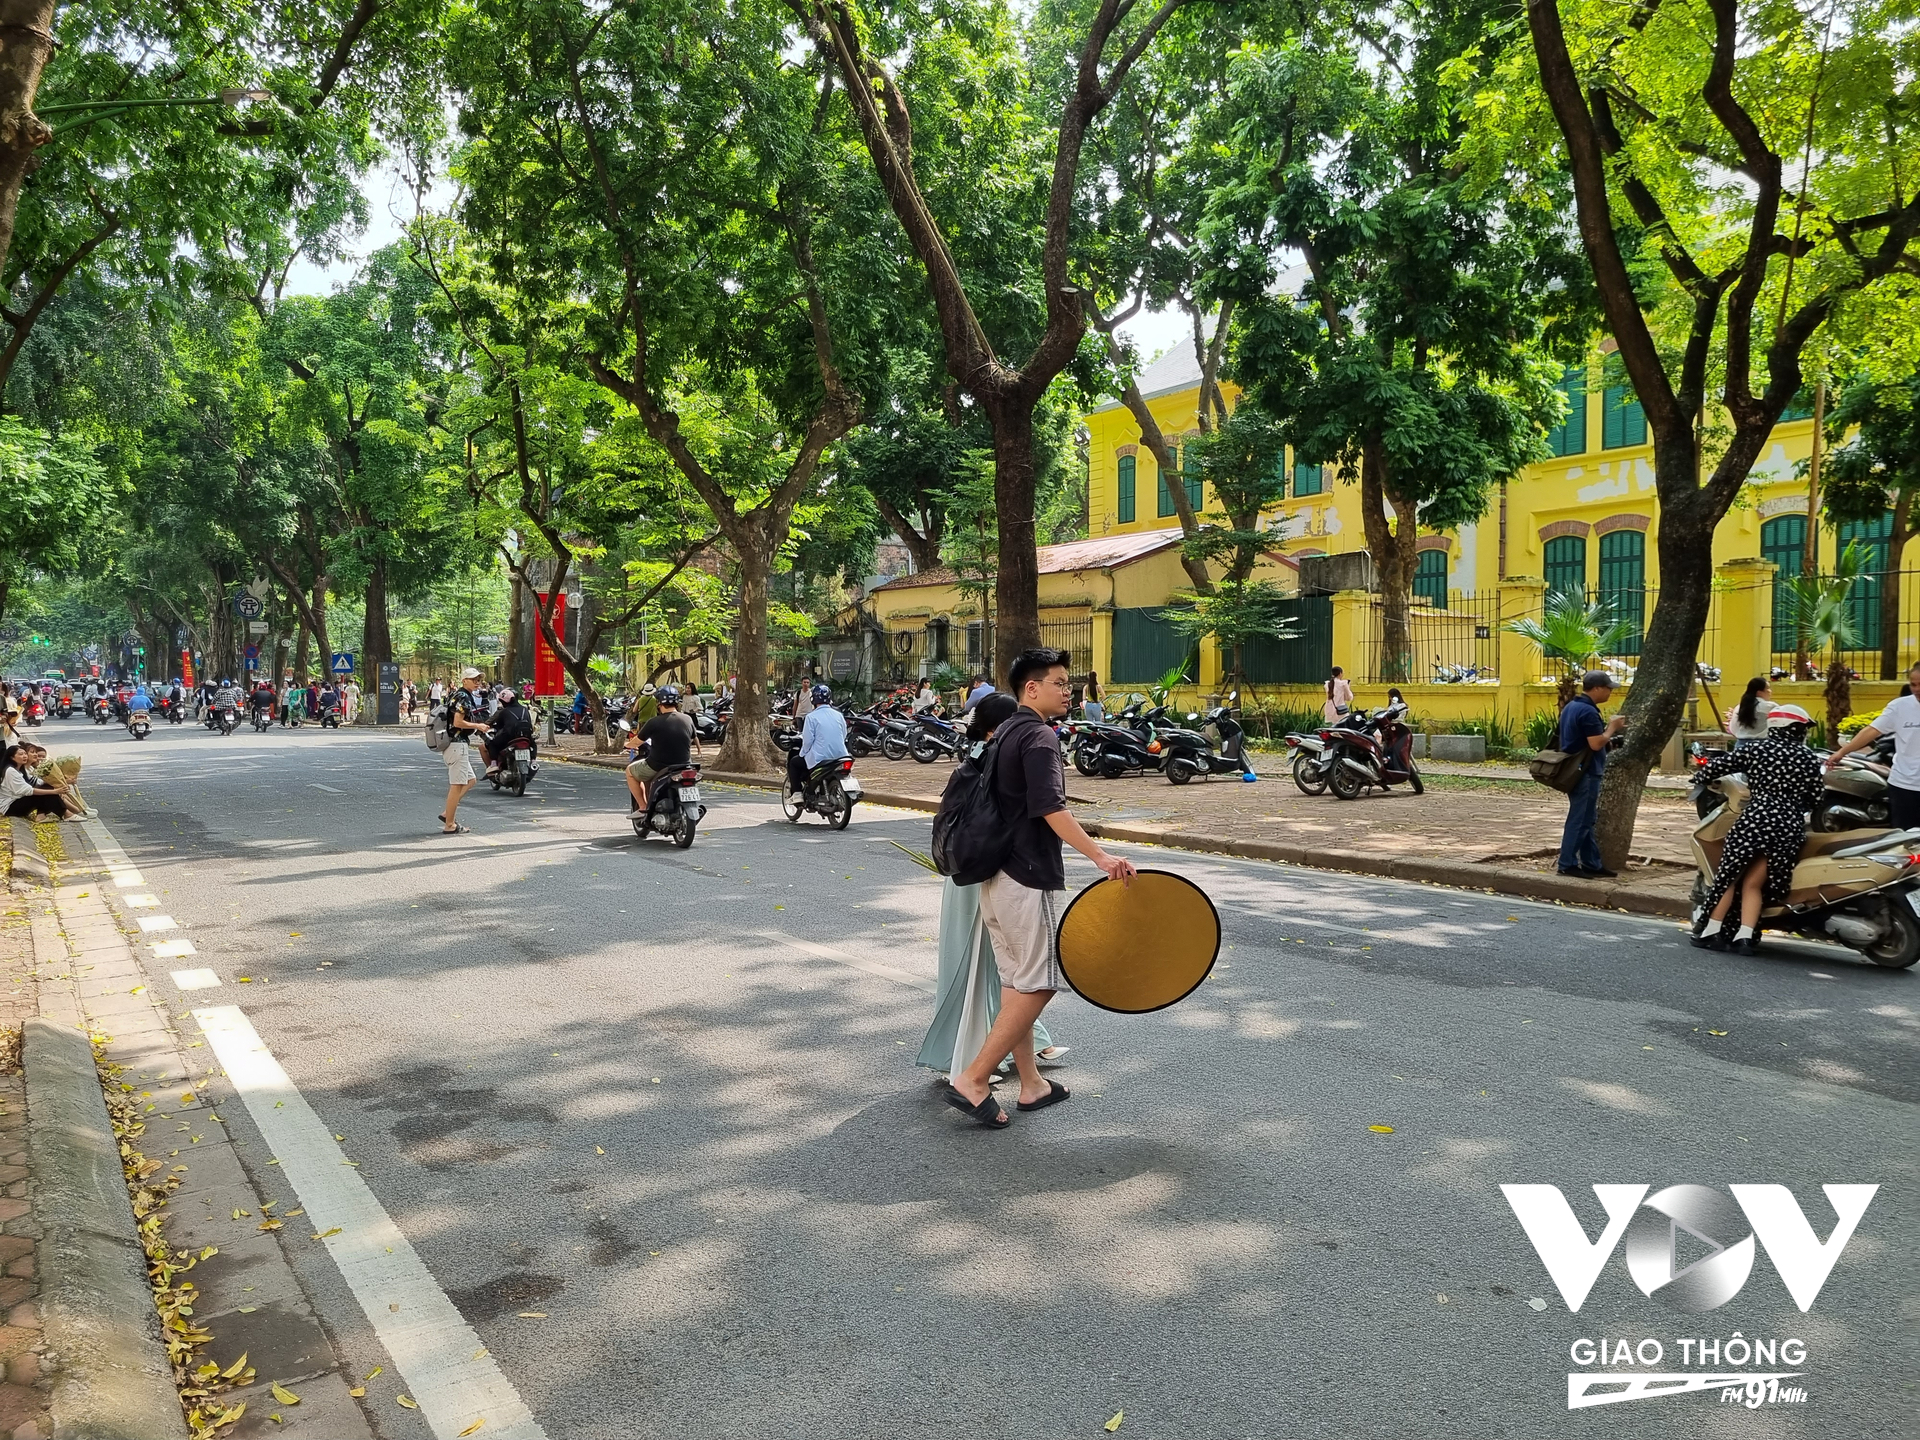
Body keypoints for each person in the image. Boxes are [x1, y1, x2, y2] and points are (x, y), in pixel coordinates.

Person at [940, 647, 1137, 1128]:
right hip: (1027, 878)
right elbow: (1051, 808)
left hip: (995, 879)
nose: (1068, 691)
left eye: (1068, 684)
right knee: (1042, 982)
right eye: (1059, 683)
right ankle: (974, 1078)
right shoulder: (1040, 738)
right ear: (1032, 688)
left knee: (1016, 985)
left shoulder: (1004, 731)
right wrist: (1101, 856)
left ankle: (1032, 1084)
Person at [917, 694, 1067, 1080]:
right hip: (985, 874)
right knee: (1002, 972)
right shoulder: (990, 761)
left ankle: (1027, 1055)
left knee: (1009, 973)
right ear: (993, 729)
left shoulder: (984, 758)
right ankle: (970, 1062)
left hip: (976, 873)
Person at [1692, 705, 1823, 954]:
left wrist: (1700, 777)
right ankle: (1745, 937)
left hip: (1755, 820)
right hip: (1789, 826)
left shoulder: (1757, 749)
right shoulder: (1809, 758)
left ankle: (1712, 931)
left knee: (1729, 877)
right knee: (1755, 883)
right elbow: (1816, 797)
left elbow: (1716, 768)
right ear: (1796, 730)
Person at [1826, 661, 1920, 830]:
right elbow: (1872, 731)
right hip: (1904, 785)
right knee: (1906, 839)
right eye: (1913, 684)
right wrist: (1842, 752)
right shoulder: (1899, 707)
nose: (1917, 689)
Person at [1556, 670, 1627, 878]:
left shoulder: (1572, 707)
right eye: (1608, 688)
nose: (1610, 693)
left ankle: (1591, 863)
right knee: (1580, 819)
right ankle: (1567, 863)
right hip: (1585, 772)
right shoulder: (1588, 711)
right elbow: (1596, 743)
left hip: (1576, 770)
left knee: (1587, 818)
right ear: (1596, 688)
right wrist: (1612, 728)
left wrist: (1608, 741)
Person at [625, 685, 694, 812]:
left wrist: (627, 745)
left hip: (658, 765)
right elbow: (691, 738)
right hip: (685, 765)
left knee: (630, 771)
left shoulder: (654, 722)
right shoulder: (687, 719)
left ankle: (642, 806)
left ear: (659, 703)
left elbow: (636, 742)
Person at [439, 668, 489, 834]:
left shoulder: (461, 695)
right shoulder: (462, 696)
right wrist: (478, 726)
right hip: (456, 744)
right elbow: (458, 722)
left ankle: (448, 812)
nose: (477, 682)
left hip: (457, 744)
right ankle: (450, 824)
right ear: (464, 680)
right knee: (457, 785)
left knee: (470, 780)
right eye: (473, 679)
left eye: (478, 679)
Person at [786, 683, 848, 799]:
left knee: (794, 763)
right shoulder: (839, 715)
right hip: (841, 756)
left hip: (820, 758)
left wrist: (803, 754)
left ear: (813, 699)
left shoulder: (811, 717)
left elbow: (808, 741)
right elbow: (844, 734)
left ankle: (797, 794)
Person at [2, 743, 85, 820]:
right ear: (12, 757)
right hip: (11, 808)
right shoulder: (11, 771)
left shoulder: (20, 770)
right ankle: (67, 814)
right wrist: (55, 791)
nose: (24, 756)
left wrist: (61, 782)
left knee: (48, 788)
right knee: (48, 793)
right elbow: (28, 790)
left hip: (19, 802)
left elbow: (39, 782)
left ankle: (42, 816)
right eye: (21, 754)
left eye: (25, 754)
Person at [481, 686, 534, 774]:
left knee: (492, 743)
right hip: (526, 735)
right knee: (533, 744)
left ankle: (494, 764)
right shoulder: (525, 709)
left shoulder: (504, 711)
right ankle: (533, 761)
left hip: (509, 736)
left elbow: (499, 726)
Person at [1727, 676, 1771, 749]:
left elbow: (1733, 728)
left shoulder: (1740, 707)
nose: (1770, 691)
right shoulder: (1770, 707)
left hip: (1741, 746)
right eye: (1767, 688)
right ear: (1759, 692)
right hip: (1762, 748)